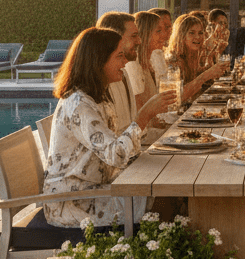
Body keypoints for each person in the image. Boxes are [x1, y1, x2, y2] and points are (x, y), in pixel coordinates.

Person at [42, 26, 176, 229]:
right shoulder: (79, 105)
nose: (125, 62)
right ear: (98, 61)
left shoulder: (98, 97)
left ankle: (163, 245)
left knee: (167, 186)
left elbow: (115, 151)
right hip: (73, 203)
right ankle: (154, 246)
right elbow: (116, 155)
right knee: (166, 197)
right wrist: (144, 116)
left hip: (96, 189)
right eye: (119, 56)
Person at [165, 12, 227, 102]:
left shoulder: (192, 56)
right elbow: (176, 97)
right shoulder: (173, 60)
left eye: (200, 33)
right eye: (192, 33)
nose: (197, 37)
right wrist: (206, 75)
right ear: (182, 36)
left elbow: (200, 83)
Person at [97, 11, 139, 129]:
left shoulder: (123, 73)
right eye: (134, 36)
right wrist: (147, 114)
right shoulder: (95, 86)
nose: (139, 41)